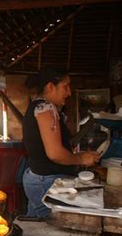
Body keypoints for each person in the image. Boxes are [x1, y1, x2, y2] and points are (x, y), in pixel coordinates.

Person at [19, 67, 100, 221]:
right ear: (50, 87)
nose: (69, 92)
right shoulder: (46, 108)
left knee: (36, 230)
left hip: (39, 179)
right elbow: (55, 154)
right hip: (45, 182)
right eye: (65, 86)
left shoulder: (39, 106)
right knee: (53, 233)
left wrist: (78, 155)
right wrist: (81, 160)